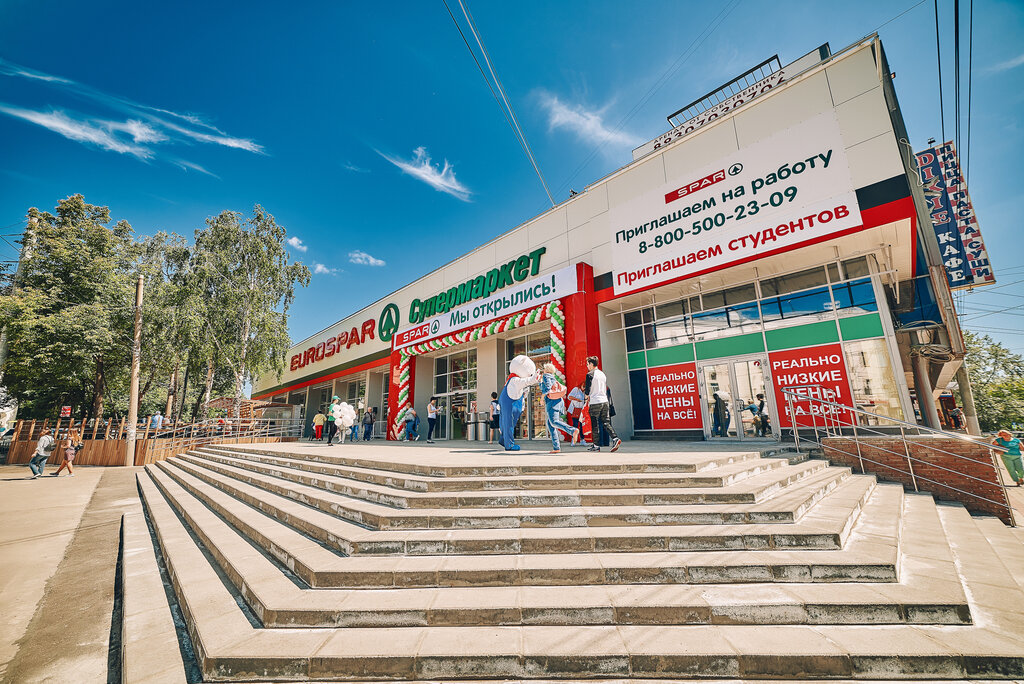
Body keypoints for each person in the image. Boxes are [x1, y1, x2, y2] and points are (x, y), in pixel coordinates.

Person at [498, 355, 540, 451]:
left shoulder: (512, 380)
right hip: (509, 404)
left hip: (511, 403)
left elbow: (522, 390)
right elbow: (526, 381)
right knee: (508, 424)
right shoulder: (514, 380)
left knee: (508, 424)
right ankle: (509, 445)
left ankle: (503, 439)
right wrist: (533, 379)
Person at [540, 363, 579, 453]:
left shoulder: (546, 376)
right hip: (558, 401)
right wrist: (540, 381)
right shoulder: (552, 377)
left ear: (546, 370)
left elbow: (548, 388)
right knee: (550, 424)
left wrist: (542, 398)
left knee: (554, 422)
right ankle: (556, 447)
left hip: (552, 402)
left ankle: (573, 430)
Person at [584, 356, 621, 452]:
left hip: (595, 402)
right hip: (605, 401)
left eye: (587, 364)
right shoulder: (602, 374)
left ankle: (596, 446)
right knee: (606, 422)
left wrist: (586, 397)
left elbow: (587, 390)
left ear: (591, 364)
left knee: (595, 424)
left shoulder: (589, 374)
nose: (587, 366)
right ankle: (615, 438)